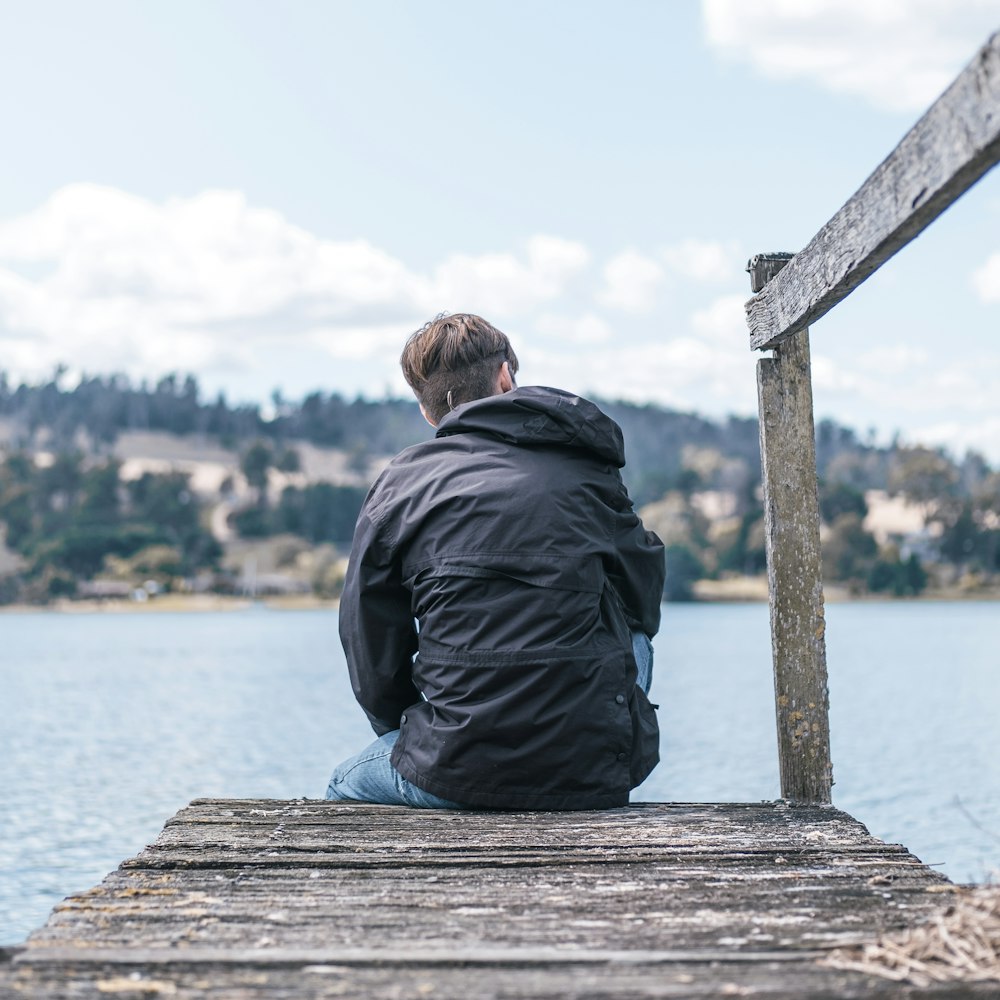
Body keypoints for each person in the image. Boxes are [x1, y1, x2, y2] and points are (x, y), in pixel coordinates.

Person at [325, 313, 664, 810]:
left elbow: (368, 639)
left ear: (427, 412)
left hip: (450, 764)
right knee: (629, 625)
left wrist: (412, 733)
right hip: (591, 769)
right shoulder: (586, 469)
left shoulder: (399, 486)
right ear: (506, 377)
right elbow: (643, 602)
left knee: (342, 785)